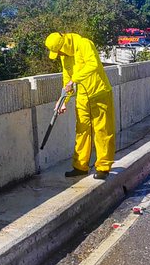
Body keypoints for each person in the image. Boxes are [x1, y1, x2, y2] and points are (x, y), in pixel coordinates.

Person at [44, 32, 116, 180]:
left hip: (99, 93)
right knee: (82, 131)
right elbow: (67, 80)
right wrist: (62, 100)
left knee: (103, 131)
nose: (59, 54)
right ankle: (80, 166)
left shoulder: (84, 43)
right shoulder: (65, 56)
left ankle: (103, 167)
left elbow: (93, 64)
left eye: (59, 51)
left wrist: (74, 80)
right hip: (83, 97)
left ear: (64, 45)